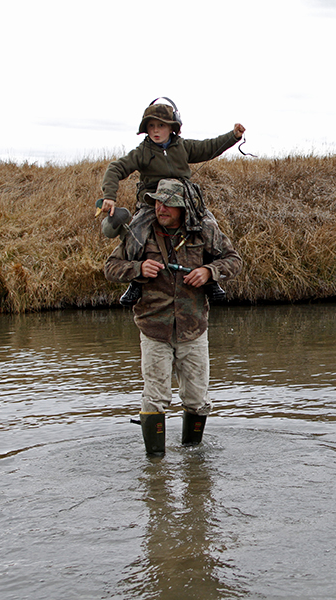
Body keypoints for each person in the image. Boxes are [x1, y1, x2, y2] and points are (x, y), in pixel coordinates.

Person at [104, 178, 243, 455]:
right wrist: (138, 268)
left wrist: (209, 272)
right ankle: (154, 467)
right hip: (154, 328)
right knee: (154, 399)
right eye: (157, 201)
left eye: (168, 203)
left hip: (193, 328)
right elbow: (111, 268)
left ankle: (194, 462)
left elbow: (234, 260)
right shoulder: (139, 232)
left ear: (183, 207)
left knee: (197, 400)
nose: (161, 207)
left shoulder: (204, 231)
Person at [99, 97, 246, 305]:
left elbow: (209, 147)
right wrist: (109, 197)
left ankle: (212, 279)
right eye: (151, 126)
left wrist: (233, 136)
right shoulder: (142, 152)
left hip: (185, 202)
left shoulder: (182, 147)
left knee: (209, 225)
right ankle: (136, 282)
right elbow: (115, 168)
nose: (156, 130)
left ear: (172, 128)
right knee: (136, 232)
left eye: (161, 125)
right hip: (152, 203)